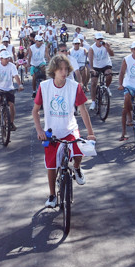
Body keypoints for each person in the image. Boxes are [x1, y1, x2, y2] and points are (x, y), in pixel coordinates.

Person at [32, 54, 96, 208]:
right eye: (60, 69)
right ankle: (52, 195)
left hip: (69, 129)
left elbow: (83, 110)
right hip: (51, 132)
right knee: (51, 166)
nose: (64, 72)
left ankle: (77, 168)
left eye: (66, 69)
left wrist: (90, 132)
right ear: (53, 70)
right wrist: (39, 130)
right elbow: (35, 111)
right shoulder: (44, 87)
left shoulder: (74, 87)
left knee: (79, 151)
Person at [0, 51, 24, 131]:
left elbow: (16, 76)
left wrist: (20, 85)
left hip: (9, 88)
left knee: (11, 105)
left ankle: (11, 123)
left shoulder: (12, 66)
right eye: (5, 59)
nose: (7, 60)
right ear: (1, 59)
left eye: (8, 58)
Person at [88, 32, 115, 110]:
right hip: (96, 66)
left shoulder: (106, 45)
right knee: (93, 82)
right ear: (95, 40)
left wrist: (107, 47)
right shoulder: (92, 48)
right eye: (98, 39)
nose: (100, 41)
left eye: (101, 39)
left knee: (109, 74)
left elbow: (112, 54)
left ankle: (107, 87)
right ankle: (93, 102)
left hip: (106, 64)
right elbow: (90, 59)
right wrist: (92, 69)